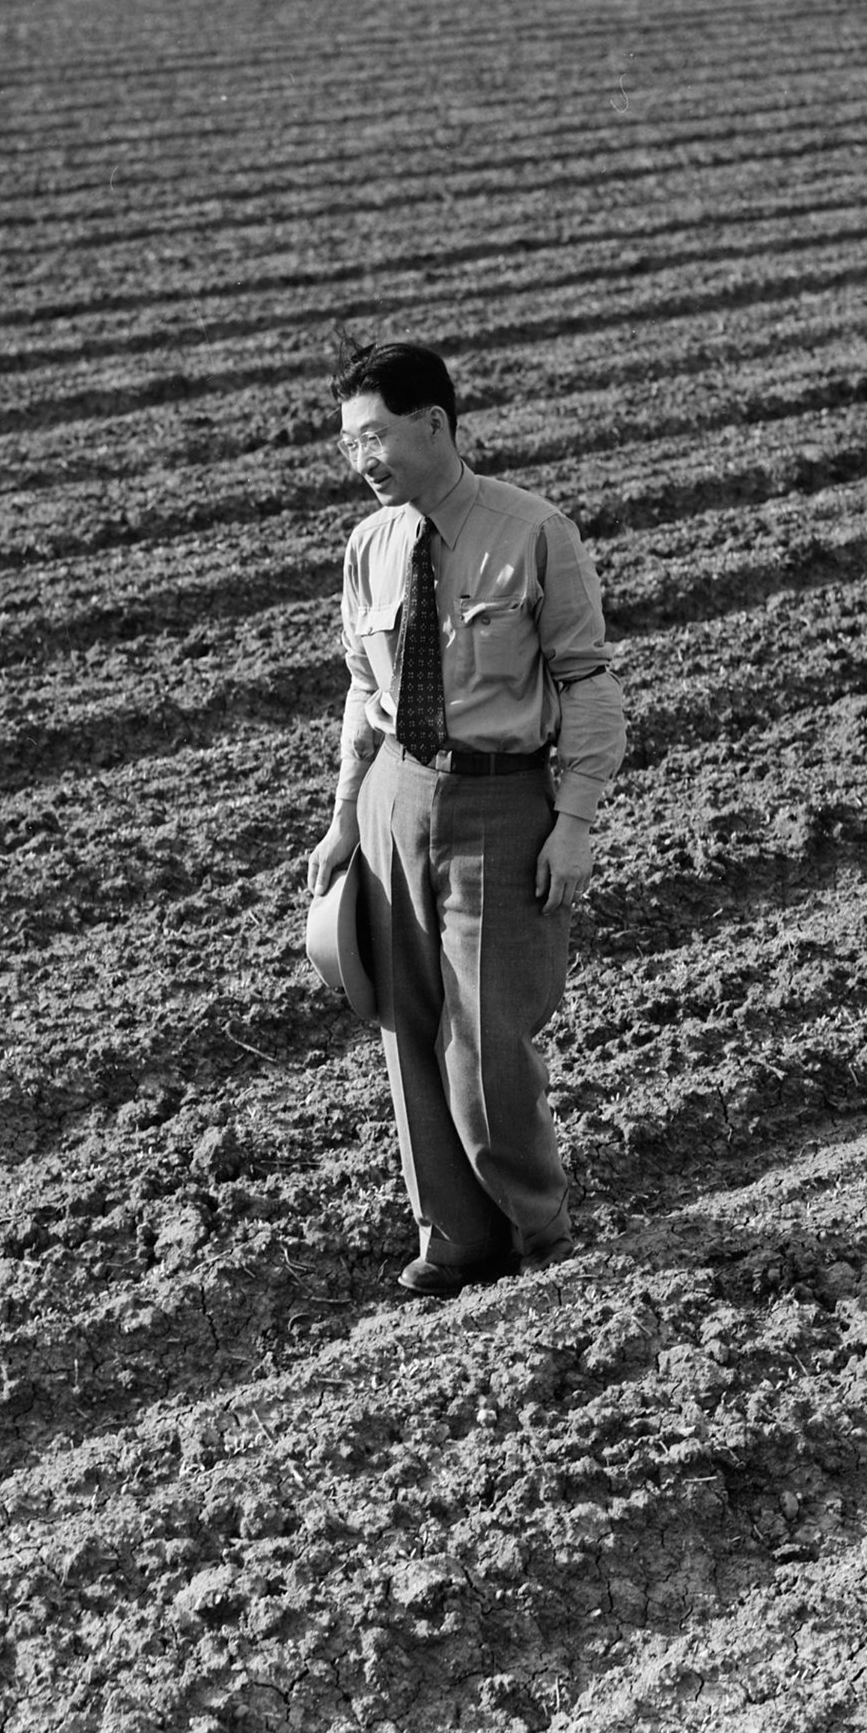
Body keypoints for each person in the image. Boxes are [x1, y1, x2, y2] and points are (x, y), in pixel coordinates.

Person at [304, 341, 628, 1296]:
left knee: (487, 1039)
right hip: (393, 798)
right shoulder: (369, 546)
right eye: (347, 442)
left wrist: (574, 821)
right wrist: (340, 820)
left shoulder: (533, 531)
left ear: (435, 425)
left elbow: (587, 681)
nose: (361, 458)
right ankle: (453, 1237)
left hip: (502, 800)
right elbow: (365, 693)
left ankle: (540, 1236)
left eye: (374, 436)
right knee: (406, 1025)